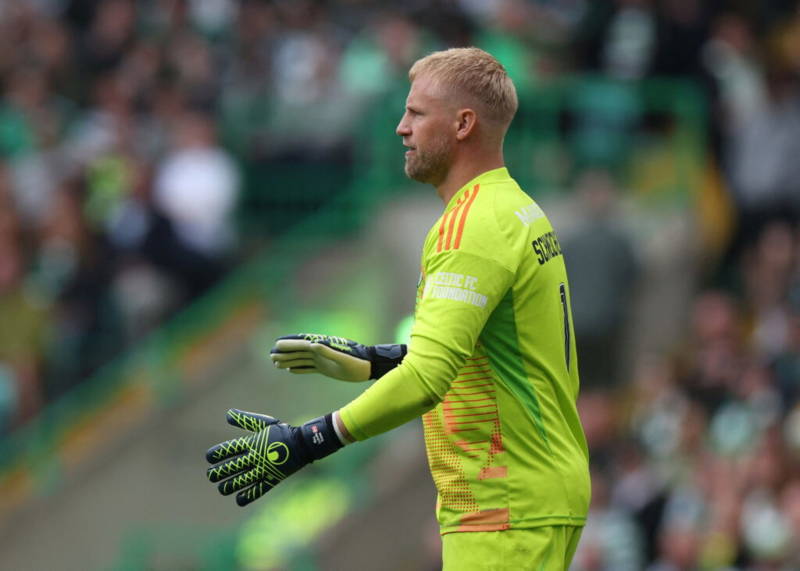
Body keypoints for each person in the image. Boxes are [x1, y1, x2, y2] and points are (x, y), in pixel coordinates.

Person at [205, 47, 590, 570]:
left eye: (416, 113)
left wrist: (308, 440)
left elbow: (430, 375)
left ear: (462, 124)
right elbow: (493, 351)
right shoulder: (517, 208)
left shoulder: (470, 226)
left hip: (502, 501)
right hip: (535, 492)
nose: (400, 128)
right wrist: (377, 359)